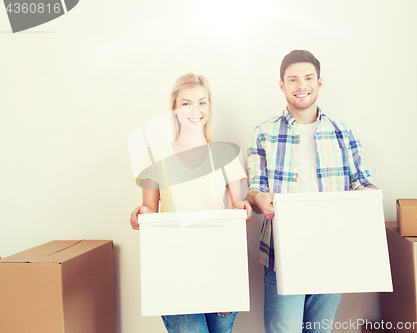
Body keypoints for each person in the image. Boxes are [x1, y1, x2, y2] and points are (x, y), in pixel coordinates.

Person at [247, 50, 377, 333]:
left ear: (319, 82)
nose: (301, 85)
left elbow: (362, 181)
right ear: (282, 85)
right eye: (293, 79)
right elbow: (255, 192)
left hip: (332, 251)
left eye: (308, 78)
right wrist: (258, 199)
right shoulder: (263, 133)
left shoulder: (343, 132)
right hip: (282, 254)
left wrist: (369, 192)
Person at [129, 73, 252, 333]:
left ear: (209, 107)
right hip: (173, 269)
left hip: (219, 266)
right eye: (186, 103)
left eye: (202, 102)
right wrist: (141, 213)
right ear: (174, 108)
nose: (195, 110)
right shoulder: (155, 156)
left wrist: (243, 207)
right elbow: (149, 209)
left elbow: (236, 207)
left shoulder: (227, 155)